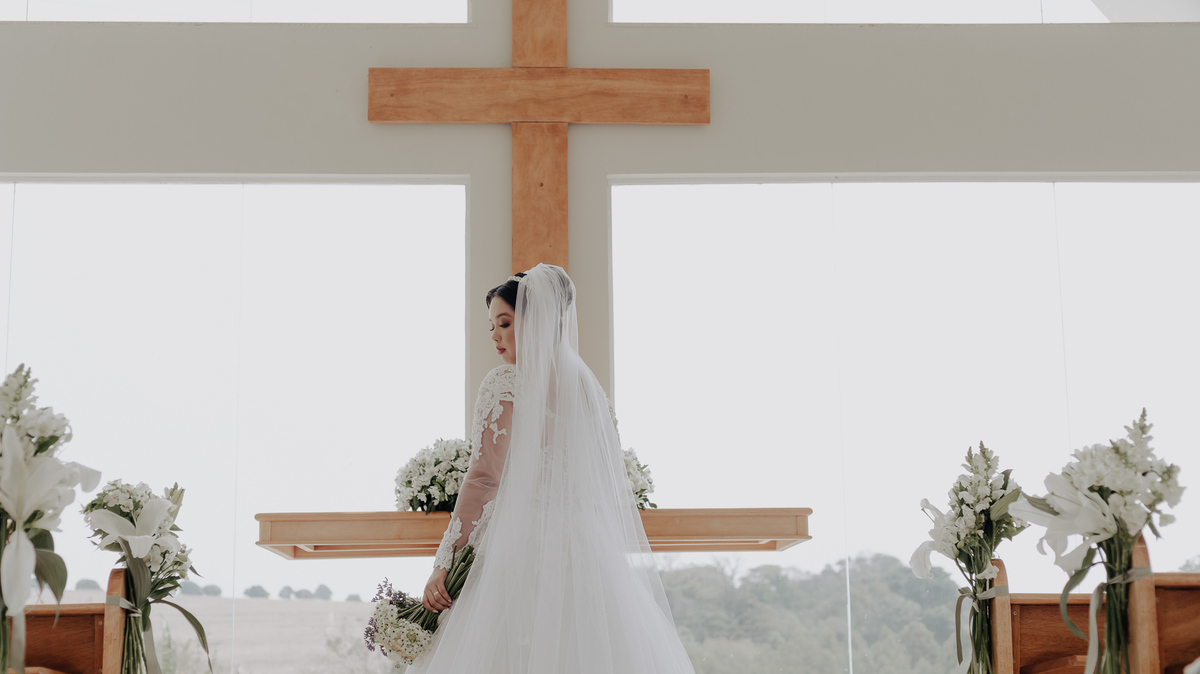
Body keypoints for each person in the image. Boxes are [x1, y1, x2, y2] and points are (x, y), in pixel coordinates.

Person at [407, 264, 695, 673]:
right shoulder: (593, 396)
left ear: (535, 318)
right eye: (491, 326)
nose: (495, 336)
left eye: (503, 323)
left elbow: (483, 480)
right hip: (586, 555)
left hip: (516, 548)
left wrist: (444, 564)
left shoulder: (503, 384)